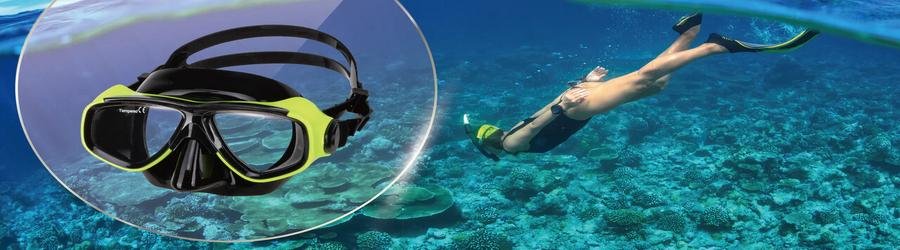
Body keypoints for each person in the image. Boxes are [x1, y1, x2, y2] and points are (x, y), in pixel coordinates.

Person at [464, 13, 819, 160]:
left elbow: (541, 119)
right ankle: (689, 34)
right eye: (488, 129)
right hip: (578, 104)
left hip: (579, 109)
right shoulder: (510, 134)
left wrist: (567, 100)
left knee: (644, 78)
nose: (496, 130)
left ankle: (715, 46)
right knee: (655, 84)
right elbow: (539, 113)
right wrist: (579, 87)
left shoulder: (510, 146)